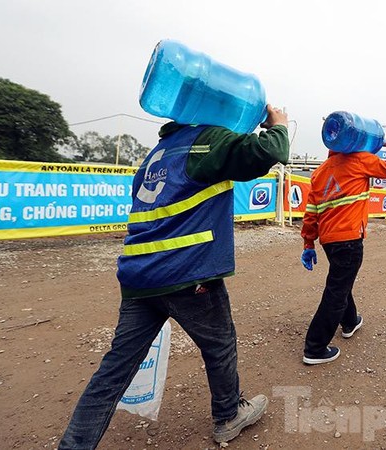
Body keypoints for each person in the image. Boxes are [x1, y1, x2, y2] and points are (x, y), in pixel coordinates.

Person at [59, 105, 290, 449]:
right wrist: (279, 124)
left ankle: (74, 445)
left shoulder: (160, 150)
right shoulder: (208, 139)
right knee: (219, 345)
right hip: (187, 274)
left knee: (114, 370)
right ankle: (228, 416)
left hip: (139, 277)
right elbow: (269, 152)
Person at [300, 135, 386, 365]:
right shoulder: (359, 160)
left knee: (341, 280)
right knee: (336, 289)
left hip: (329, 241)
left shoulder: (320, 172)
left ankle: (350, 322)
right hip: (349, 240)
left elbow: (311, 213)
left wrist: (308, 243)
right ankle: (314, 348)